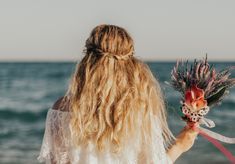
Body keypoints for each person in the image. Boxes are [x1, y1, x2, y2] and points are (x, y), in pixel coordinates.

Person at [37, 24, 198, 164]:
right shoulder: (141, 111)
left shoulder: (61, 110)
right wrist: (179, 147)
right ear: (131, 66)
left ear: (87, 62)